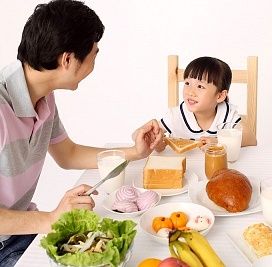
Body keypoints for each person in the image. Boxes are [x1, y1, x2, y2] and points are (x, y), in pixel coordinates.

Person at [0, 0, 162, 265]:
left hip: (21, 232)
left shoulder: (43, 97)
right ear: (67, 59)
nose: (95, 62)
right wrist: (51, 219)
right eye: (94, 54)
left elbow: (68, 154)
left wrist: (134, 152)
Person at [155, 56, 257, 152]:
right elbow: (155, 135)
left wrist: (219, 142)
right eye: (187, 83)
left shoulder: (227, 114)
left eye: (200, 86)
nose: (190, 92)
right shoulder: (177, 114)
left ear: (220, 96)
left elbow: (251, 140)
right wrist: (158, 143)